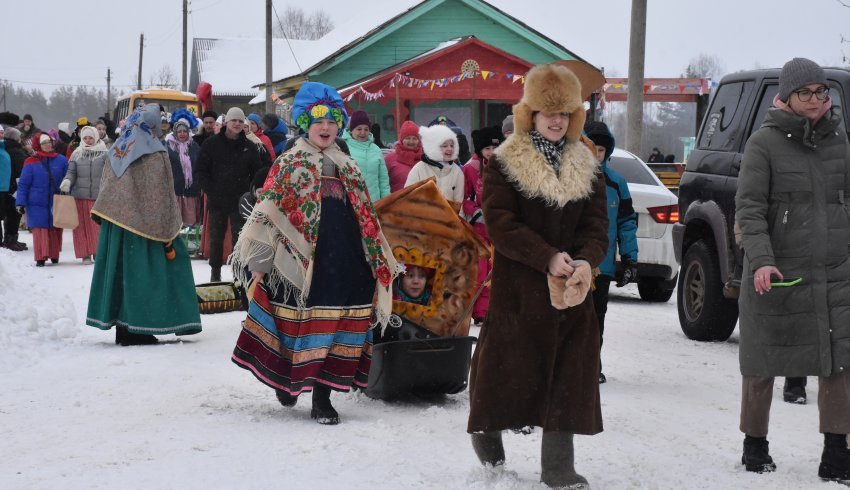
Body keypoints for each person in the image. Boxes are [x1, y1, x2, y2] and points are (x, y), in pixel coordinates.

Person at [466, 63, 609, 489]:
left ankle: (558, 469)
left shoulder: (587, 163)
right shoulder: (506, 162)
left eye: (564, 113)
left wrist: (585, 260)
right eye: (548, 112)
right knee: (499, 377)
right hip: (518, 294)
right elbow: (500, 223)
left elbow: (597, 226)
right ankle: (489, 447)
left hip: (570, 295)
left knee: (565, 378)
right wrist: (546, 256)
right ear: (530, 113)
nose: (555, 120)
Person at [230, 81, 399, 425]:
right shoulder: (289, 162)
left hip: (345, 261)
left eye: (332, 120)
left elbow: (367, 217)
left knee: (338, 325)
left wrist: (379, 258)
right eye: (318, 120)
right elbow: (267, 216)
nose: (325, 127)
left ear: (340, 124)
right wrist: (260, 264)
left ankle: (322, 396)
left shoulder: (348, 165)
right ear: (305, 122)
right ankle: (286, 379)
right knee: (294, 323)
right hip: (298, 263)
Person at [735, 57, 850, 480]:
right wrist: (762, 260)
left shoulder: (839, 140)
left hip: (834, 270)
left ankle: (837, 452)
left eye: (823, 92)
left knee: (839, 360)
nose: (818, 100)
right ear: (787, 97)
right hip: (780, 271)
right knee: (763, 359)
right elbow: (749, 209)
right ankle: (755, 444)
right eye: (808, 93)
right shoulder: (763, 144)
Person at [86, 103, 202, 346]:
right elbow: (160, 194)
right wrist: (167, 225)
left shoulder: (118, 147)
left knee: (121, 274)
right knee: (142, 274)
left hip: (116, 225)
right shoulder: (155, 152)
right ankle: (139, 327)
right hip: (145, 227)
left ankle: (123, 327)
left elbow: (107, 187)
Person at [584, 120, 638, 384]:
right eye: (591, 148)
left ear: (608, 152)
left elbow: (627, 222)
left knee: (597, 318)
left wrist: (629, 258)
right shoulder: (572, 179)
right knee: (570, 316)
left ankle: (592, 364)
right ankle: (569, 364)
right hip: (574, 263)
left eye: (601, 150)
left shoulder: (617, 183)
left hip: (602, 265)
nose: (596, 154)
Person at [195, 107, 265, 282]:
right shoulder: (211, 144)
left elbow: (258, 172)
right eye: (234, 120)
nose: (237, 124)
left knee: (240, 240)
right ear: (226, 122)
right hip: (217, 198)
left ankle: (239, 276)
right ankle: (215, 274)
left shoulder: (249, 147)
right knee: (216, 238)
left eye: (241, 121)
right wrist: (210, 190)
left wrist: (254, 189)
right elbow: (200, 171)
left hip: (239, 201)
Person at [463, 125, 504, 324]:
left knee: (494, 271)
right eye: (487, 148)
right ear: (480, 150)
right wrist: (476, 212)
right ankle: (475, 311)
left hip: (498, 229)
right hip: (478, 229)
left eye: (495, 148)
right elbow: (465, 197)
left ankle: (487, 311)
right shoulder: (471, 169)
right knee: (478, 271)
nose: (491, 152)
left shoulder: (505, 167)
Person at [16, 133, 69, 266]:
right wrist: (20, 202)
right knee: (40, 230)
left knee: (55, 228)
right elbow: (23, 184)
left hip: (55, 200)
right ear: (38, 145)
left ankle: (54, 254)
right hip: (35, 202)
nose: (48, 145)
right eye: (44, 143)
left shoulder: (61, 160)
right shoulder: (30, 161)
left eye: (49, 142)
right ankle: (41, 257)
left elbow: (68, 178)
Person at [60, 126, 108, 264]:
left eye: (90, 137)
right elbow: (71, 172)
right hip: (80, 197)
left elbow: (110, 173)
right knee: (81, 228)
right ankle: (85, 254)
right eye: (85, 138)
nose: (88, 140)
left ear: (96, 137)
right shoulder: (77, 153)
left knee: (97, 228)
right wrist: (67, 181)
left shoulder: (105, 154)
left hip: (99, 197)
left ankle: (98, 252)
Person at [405, 124, 465, 204]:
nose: (449, 149)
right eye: (445, 146)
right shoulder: (419, 169)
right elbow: (408, 197)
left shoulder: (457, 172)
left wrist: (458, 216)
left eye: (452, 145)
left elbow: (460, 203)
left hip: (449, 216)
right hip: (424, 215)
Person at [165, 111, 203, 228]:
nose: (182, 134)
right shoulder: (168, 147)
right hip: (175, 191)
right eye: (179, 131)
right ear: (175, 132)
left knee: (190, 225)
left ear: (188, 132)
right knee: (175, 225)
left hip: (191, 192)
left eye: (185, 131)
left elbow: (199, 166)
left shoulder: (194, 146)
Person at [342, 110, 391, 200]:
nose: (363, 132)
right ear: (352, 129)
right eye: (359, 129)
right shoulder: (343, 147)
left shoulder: (376, 150)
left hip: (375, 203)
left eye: (366, 129)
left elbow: (383, 181)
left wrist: (386, 202)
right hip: (352, 204)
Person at [1, 127, 27, 251]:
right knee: (14, 214)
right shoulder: (16, 151)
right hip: (14, 187)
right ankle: (11, 240)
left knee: (9, 214)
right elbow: (20, 171)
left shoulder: (5, 148)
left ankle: (9, 239)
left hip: (7, 186)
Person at [384, 120, 423, 192]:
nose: (411, 142)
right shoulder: (389, 159)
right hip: (397, 201)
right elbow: (383, 183)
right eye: (408, 138)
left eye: (414, 138)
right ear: (401, 139)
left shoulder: (425, 159)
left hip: (420, 201)